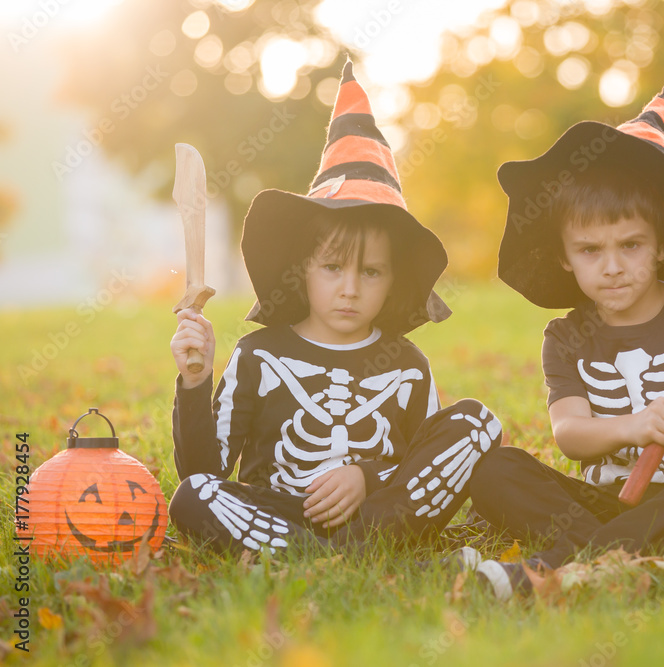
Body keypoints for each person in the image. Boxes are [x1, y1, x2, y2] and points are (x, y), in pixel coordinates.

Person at [167, 61, 502, 557]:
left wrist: (367, 476)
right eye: (332, 268)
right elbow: (205, 471)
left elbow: (420, 464)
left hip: (377, 512)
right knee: (192, 496)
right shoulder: (258, 356)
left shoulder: (407, 366)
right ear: (303, 268)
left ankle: (333, 549)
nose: (350, 289)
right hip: (278, 511)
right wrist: (194, 383)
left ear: (392, 282)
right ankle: (322, 550)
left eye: (370, 272)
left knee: (478, 423)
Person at [466, 84, 664, 599]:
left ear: (662, 246)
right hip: (615, 502)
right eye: (589, 250)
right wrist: (635, 424)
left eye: (631, 245)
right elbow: (570, 434)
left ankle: (552, 569)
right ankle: (627, 561)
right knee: (495, 469)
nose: (612, 266)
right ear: (565, 256)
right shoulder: (566, 336)